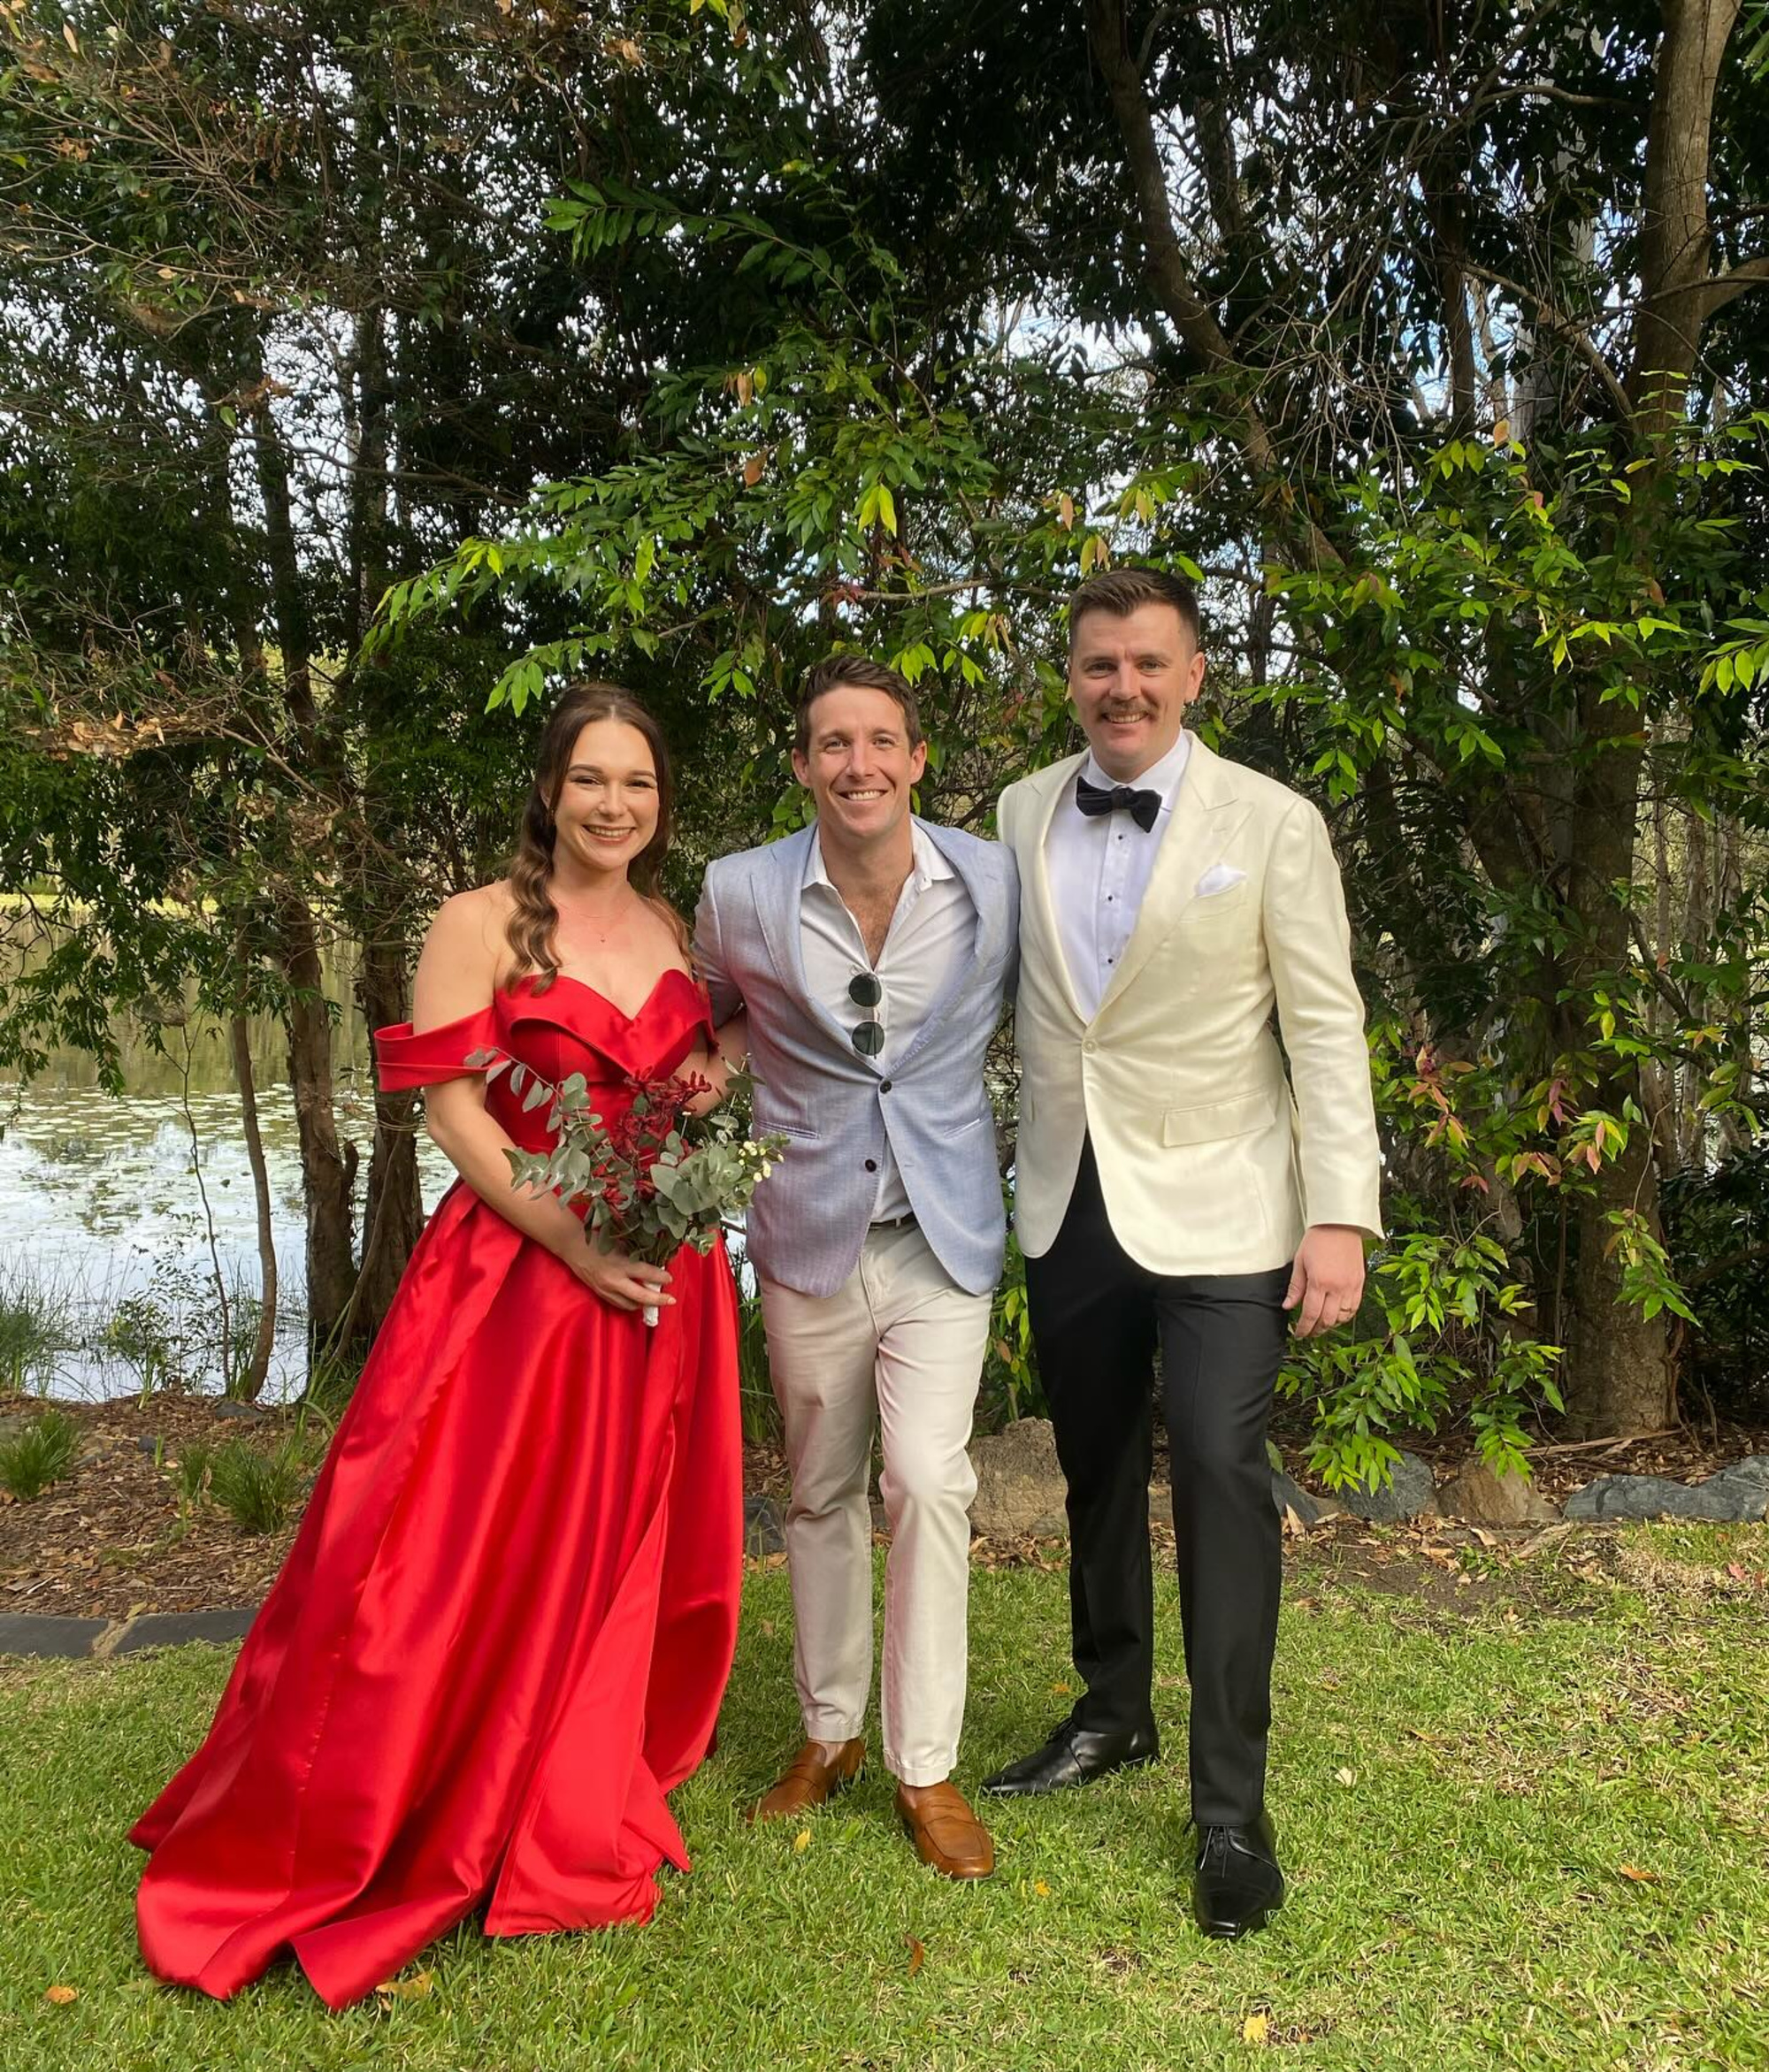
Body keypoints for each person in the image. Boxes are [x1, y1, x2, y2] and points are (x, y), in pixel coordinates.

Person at [132, 683, 745, 2007]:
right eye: (591, 778)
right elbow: (454, 1117)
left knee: (608, 1531)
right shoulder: (476, 923)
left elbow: (698, 1074)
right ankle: (398, 1797)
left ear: (661, 802)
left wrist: (702, 1120)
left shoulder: (675, 930)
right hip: (517, 1283)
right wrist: (571, 1238)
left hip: (659, 1279)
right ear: (548, 787)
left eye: (637, 783)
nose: (614, 804)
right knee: (445, 1542)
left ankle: (564, 1779)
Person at [984, 570, 1382, 1938]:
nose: (1124, 688)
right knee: (1095, 1464)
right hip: (1069, 1199)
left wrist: (1342, 1213)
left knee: (1215, 1463)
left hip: (1226, 1204)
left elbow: (1325, 1027)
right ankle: (1111, 1713)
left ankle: (1230, 1810)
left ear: (1196, 673)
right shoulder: (1020, 810)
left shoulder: (1272, 822)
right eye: (1100, 666)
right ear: (1074, 677)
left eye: (1149, 664)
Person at [695, 655, 1017, 1879]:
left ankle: (922, 1768)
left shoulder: (988, 880)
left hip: (944, 1236)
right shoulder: (740, 891)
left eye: (881, 741)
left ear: (918, 757)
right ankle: (826, 1734)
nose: (859, 765)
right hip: (807, 1237)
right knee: (820, 1492)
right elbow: (722, 1009)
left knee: (929, 1483)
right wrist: (709, 1076)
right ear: (801, 764)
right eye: (834, 744)